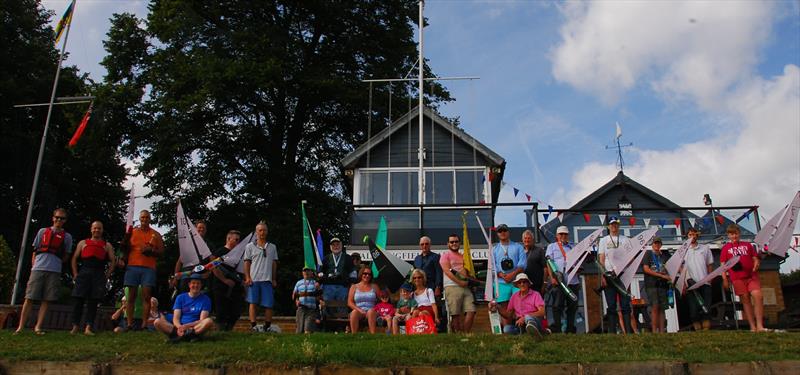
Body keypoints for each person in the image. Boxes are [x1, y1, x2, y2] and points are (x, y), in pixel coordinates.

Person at [15, 208, 74, 335]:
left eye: (62, 218)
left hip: (54, 270)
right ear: (53, 218)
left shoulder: (67, 237)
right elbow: (35, 250)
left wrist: (57, 263)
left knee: (47, 299)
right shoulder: (43, 231)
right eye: (57, 217)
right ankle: (20, 327)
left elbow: (67, 255)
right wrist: (34, 265)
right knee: (29, 297)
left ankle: (38, 326)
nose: (59, 220)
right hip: (38, 268)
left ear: (65, 221)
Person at [70, 221, 116, 335]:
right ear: (91, 229)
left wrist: (107, 275)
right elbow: (74, 258)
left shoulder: (107, 245)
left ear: (102, 230)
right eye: (95, 228)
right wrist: (75, 273)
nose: (97, 230)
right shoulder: (83, 243)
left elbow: (113, 261)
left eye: (99, 228)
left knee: (93, 301)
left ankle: (88, 327)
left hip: (98, 273)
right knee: (78, 300)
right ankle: (75, 326)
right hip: (84, 271)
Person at [122, 210, 164, 331]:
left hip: (148, 267)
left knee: (147, 296)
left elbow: (161, 252)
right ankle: (129, 324)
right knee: (131, 296)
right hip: (132, 266)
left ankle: (144, 324)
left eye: (147, 217)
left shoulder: (155, 234)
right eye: (142, 217)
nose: (144, 219)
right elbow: (124, 248)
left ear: (150, 219)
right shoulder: (133, 232)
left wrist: (151, 251)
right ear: (139, 219)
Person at [720, 224, 766, 332]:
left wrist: (756, 263)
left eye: (735, 233)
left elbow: (755, 258)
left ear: (739, 233)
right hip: (737, 277)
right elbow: (723, 265)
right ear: (728, 235)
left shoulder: (748, 245)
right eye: (731, 234)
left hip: (751, 275)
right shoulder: (726, 248)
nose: (734, 236)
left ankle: (760, 325)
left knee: (757, 295)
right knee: (745, 299)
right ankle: (752, 326)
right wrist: (724, 279)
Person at [597, 216, 633, 334]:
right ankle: (612, 332)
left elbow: (630, 257)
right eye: (612, 224)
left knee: (625, 303)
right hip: (609, 275)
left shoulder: (625, 239)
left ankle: (628, 331)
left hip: (622, 274)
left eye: (616, 224)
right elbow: (601, 258)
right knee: (611, 304)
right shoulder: (604, 240)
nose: (614, 226)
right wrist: (602, 276)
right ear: (609, 226)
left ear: (619, 226)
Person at [154, 273, 214, 343]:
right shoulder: (180, 297)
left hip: (195, 327)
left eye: (198, 283)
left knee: (209, 321)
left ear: (201, 285)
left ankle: (179, 337)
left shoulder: (206, 299)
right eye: (193, 283)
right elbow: (176, 318)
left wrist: (187, 326)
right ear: (189, 285)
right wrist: (180, 327)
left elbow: (202, 320)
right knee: (157, 322)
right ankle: (189, 337)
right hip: (179, 327)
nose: (196, 285)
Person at [244, 221, 279, 332]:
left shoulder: (272, 247)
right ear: (256, 232)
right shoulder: (249, 246)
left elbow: (274, 263)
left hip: (267, 279)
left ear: (267, 232)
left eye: (264, 230)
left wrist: (273, 278)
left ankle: (267, 326)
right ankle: (253, 326)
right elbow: (247, 262)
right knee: (253, 303)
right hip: (254, 279)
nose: (262, 232)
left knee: (269, 304)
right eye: (260, 230)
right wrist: (247, 277)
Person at [544, 225, 580, 334]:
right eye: (561, 234)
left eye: (565, 234)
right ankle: (558, 330)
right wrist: (551, 278)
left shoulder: (573, 246)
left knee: (572, 306)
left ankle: (570, 329)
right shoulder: (552, 246)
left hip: (573, 280)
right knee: (557, 305)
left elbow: (579, 260)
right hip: (559, 281)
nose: (563, 236)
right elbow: (549, 263)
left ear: (568, 235)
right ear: (557, 236)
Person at [489, 273, 546, 337]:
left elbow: (542, 312)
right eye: (519, 282)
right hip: (520, 324)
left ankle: (533, 330)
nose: (522, 284)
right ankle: (527, 332)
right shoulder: (514, 297)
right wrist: (497, 307)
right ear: (517, 285)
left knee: (528, 318)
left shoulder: (535, 294)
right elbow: (508, 315)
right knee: (506, 329)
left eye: (524, 282)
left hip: (534, 320)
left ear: (528, 284)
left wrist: (525, 317)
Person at [439, 233, 476, 333]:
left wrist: (471, 280)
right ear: (448, 244)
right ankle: (458, 335)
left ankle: (465, 334)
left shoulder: (464, 256)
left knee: (471, 310)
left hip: (465, 286)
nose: (454, 243)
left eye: (456, 241)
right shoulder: (444, 256)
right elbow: (447, 271)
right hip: (452, 286)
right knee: (455, 313)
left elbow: (468, 270)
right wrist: (459, 282)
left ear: (459, 243)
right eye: (452, 242)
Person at [492, 224, 527, 328]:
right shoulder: (494, 249)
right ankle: (507, 330)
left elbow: (522, 265)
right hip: (501, 283)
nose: (502, 233)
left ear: (508, 232)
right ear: (497, 234)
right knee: (504, 307)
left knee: (520, 304)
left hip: (516, 282)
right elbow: (492, 267)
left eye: (504, 230)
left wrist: (512, 275)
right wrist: (501, 274)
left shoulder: (518, 247)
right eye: (500, 231)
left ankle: (521, 329)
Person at [210, 230, 244, 331]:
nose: (238, 242)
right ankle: (221, 332)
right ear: (229, 239)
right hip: (221, 286)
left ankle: (228, 330)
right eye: (236, 240)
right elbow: (213, 267)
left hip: (235, 287)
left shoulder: (239, 254)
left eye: (239, 240)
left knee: (235, 312)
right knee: (221, 312)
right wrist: (225, 280)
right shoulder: (220, 252)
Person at [683, 227, 714, 331]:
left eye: (694, 234)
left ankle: (706, 328)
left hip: (704, 281)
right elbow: (680, 267)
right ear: (687, 236)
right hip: (690, 283)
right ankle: (697, 328)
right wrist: (684, 281)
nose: (692, 237)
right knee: (693, 308)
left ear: (697, 235)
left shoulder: (705, 248)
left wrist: (709, 278)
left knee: (706, 307)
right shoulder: (682, 250)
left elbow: (709, 264)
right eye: (690, 235)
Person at [171, 220, 210, 294]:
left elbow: (213, 262)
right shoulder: (188, 243)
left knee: (199, 300)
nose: (201, 229)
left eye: (203, 228)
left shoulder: (209, 245)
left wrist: (208, 273)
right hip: (186, 277)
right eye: (199, 228)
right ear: (195, 229)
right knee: (184, 299)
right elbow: (179, 262)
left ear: (206, 230)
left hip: (201, 277)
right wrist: (175, 278)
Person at [413, 236, 443, 330]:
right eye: (422, 244)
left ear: (430, 245)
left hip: (432, 286)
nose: (424, 246)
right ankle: (418, 328)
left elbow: (439, 272)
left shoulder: (436, 257)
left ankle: (435, 327)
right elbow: (414, 274)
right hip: (419, 287)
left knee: (435, 307)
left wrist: (438, 287)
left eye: (426, 244)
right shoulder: (417, 259)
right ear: (420, 246)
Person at [642, 237, 671, 333]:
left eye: (658, 243)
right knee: (655, 306)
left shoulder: (664, 256)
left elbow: (670, 267)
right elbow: (646, 269)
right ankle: (654, 330)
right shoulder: (648, 254)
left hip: (663, 284)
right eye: (655, 243)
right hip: (651, 284)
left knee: (662, 308)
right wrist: (660, 275)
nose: (657, 245)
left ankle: (662, 330)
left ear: (661, 245)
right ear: (652, 244)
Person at [318, 237, 352, 315]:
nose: (336, 246)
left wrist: (352, 283)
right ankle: (327, 325)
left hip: (343, 286)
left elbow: (352, 272)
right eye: (333, 245)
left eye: (337, 244)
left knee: (342, 306)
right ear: (330, 247)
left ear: (341, 245)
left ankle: (342, 325)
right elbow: (320, 271)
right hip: (328, 286)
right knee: (327, 306)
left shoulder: (348, 258)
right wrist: (319, 281)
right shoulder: (326, 258)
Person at [347, 266, 379, 333]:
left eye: (369, 274)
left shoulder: (375, 287)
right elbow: (350, 302)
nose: (367, 276)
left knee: (371, 312)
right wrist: (359, 310)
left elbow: (381, 300)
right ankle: (354, 335)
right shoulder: (354, 286)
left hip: (372, 310)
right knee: (354, 312)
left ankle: (373, 335)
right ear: (361, 274)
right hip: (359, 310)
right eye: (365, 273)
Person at [292, 267, 323, 333]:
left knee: (308, 330)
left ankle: (309, 341)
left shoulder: (315, 283)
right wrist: (297, 301)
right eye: (304, 271)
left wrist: (319, 288)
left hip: (311, 309)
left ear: (311, 273)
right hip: (301, 308)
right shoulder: (298, 283)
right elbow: (294, 296)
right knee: (299, 331)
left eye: (308, 271)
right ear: (302, 273)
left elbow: (320, 296)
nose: (306, 272)